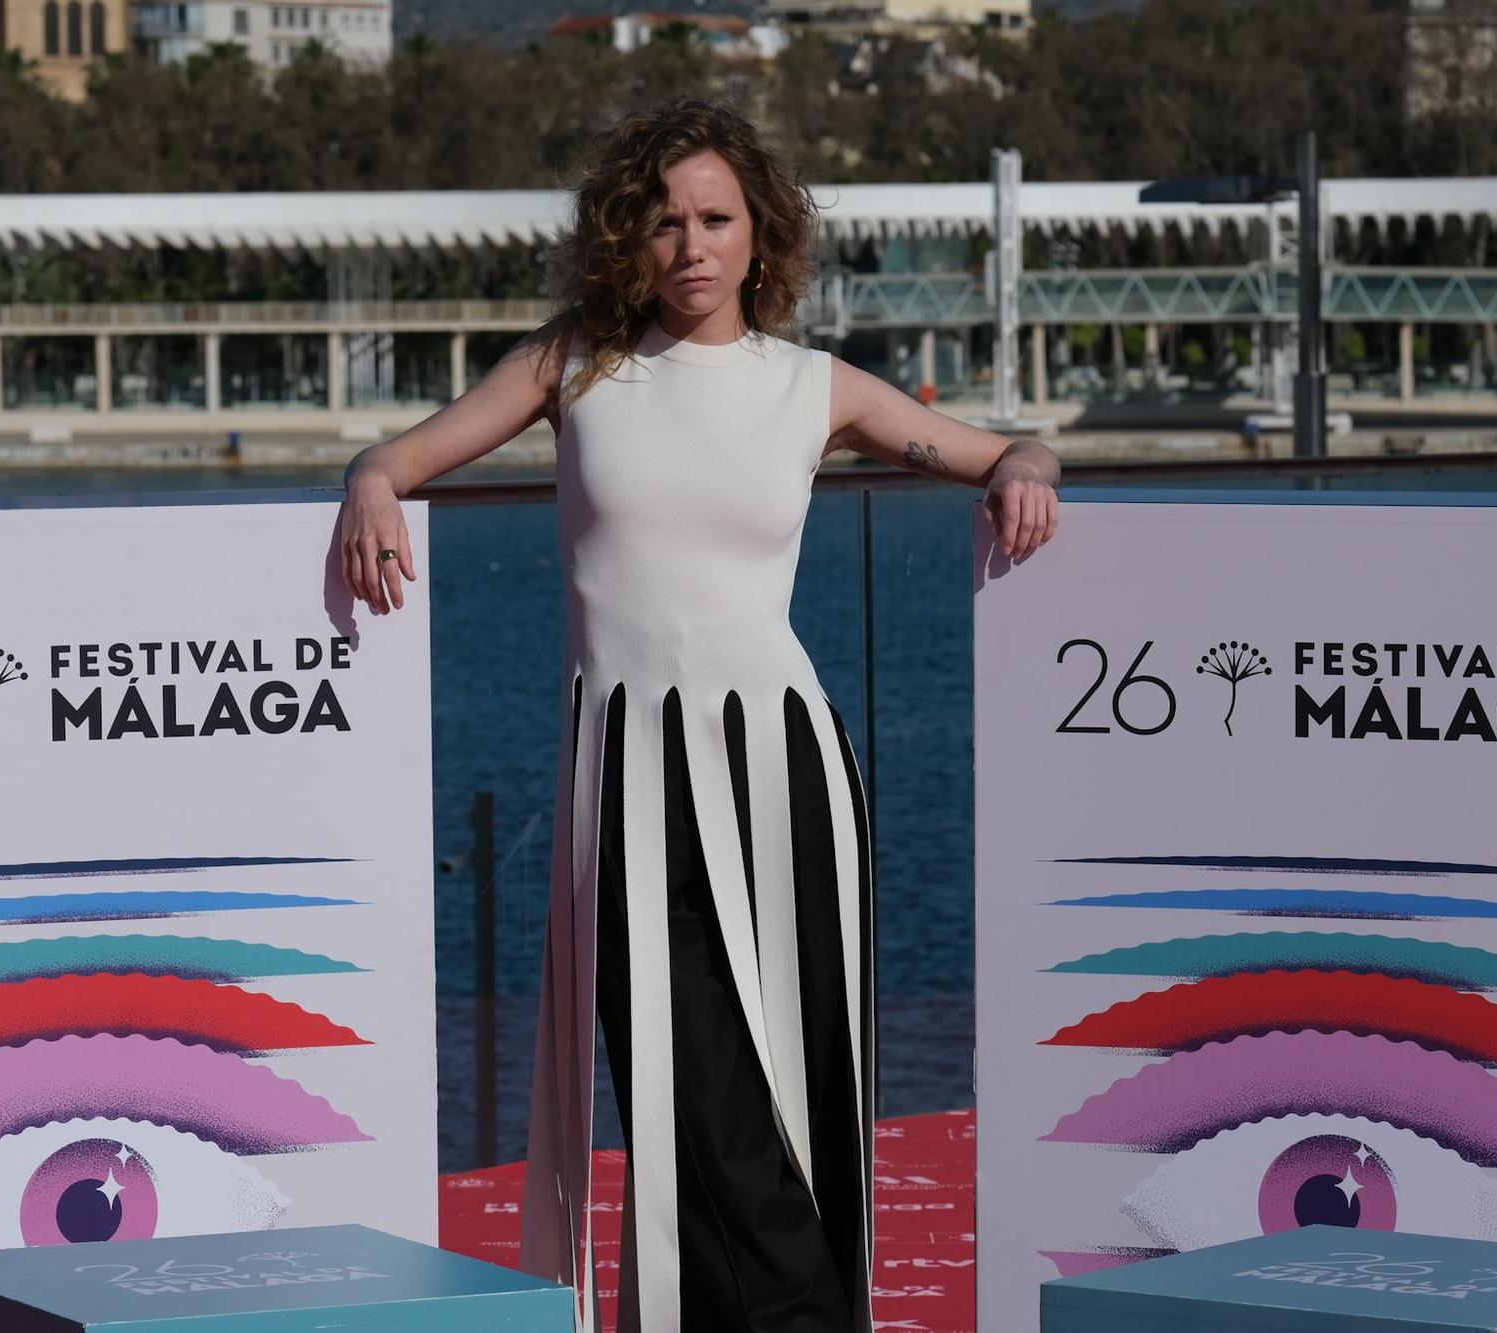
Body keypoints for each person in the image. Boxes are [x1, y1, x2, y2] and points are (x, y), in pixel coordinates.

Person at [333, 97, 1059, 1333]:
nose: (689, 246)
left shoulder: (810, 385)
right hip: (625, 779)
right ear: (626, 237)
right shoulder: (573, 363)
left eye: (715, 218)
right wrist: (366, 485)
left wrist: (1026, 466)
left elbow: (1002, 447)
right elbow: (400, 455)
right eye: (662, 221)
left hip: (784, 777)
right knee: (689, 1102)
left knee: (792, 1098)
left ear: (759, 233)